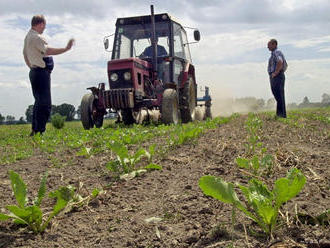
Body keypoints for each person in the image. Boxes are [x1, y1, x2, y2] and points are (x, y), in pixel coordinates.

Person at [23, 15, 74, 136]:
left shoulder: (28, 37)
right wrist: (66, 49)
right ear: (40, 24)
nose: (44, 28)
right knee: (45, 103)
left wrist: (31, 66)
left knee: (38, 102)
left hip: (35, 72)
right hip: (41, 73)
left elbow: (25, 54)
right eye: (44, 25)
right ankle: (40, 131)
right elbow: (48, 51)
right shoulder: (36, 37)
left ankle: (35, 129)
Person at [267, 39, 288, 118]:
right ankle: (279, 114)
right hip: (275, 76)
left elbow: (280, 61)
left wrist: (276, 72)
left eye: (269, 45)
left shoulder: (277, 52)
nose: (267, 47)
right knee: (277, 95)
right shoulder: (273, 54)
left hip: (277, 76)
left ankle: (282, 115)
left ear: (274, 44)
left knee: (279, 95)